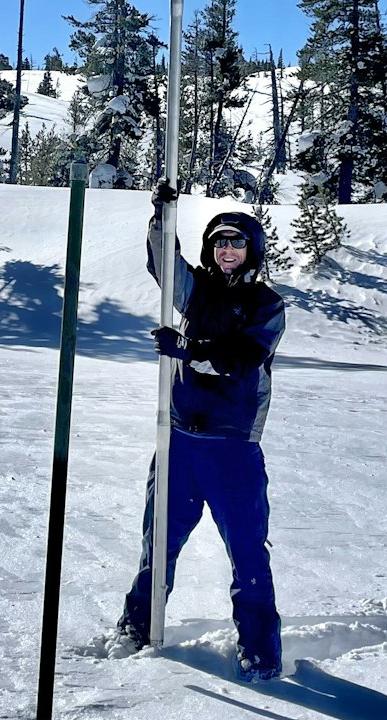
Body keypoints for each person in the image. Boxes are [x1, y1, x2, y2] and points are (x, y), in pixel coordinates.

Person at [113, 182, 285, 680]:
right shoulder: (197, 293)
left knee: (248, 554)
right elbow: (165, 266)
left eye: (236, 242)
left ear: (252, 250)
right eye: (218, 241)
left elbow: (243, 360)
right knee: (158, 544)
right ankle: (137, 629)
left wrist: (188, 350)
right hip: (178, 444)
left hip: (233, 448)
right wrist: (161, 216)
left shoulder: (267, 304)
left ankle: (259, 653)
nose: (226, 249)